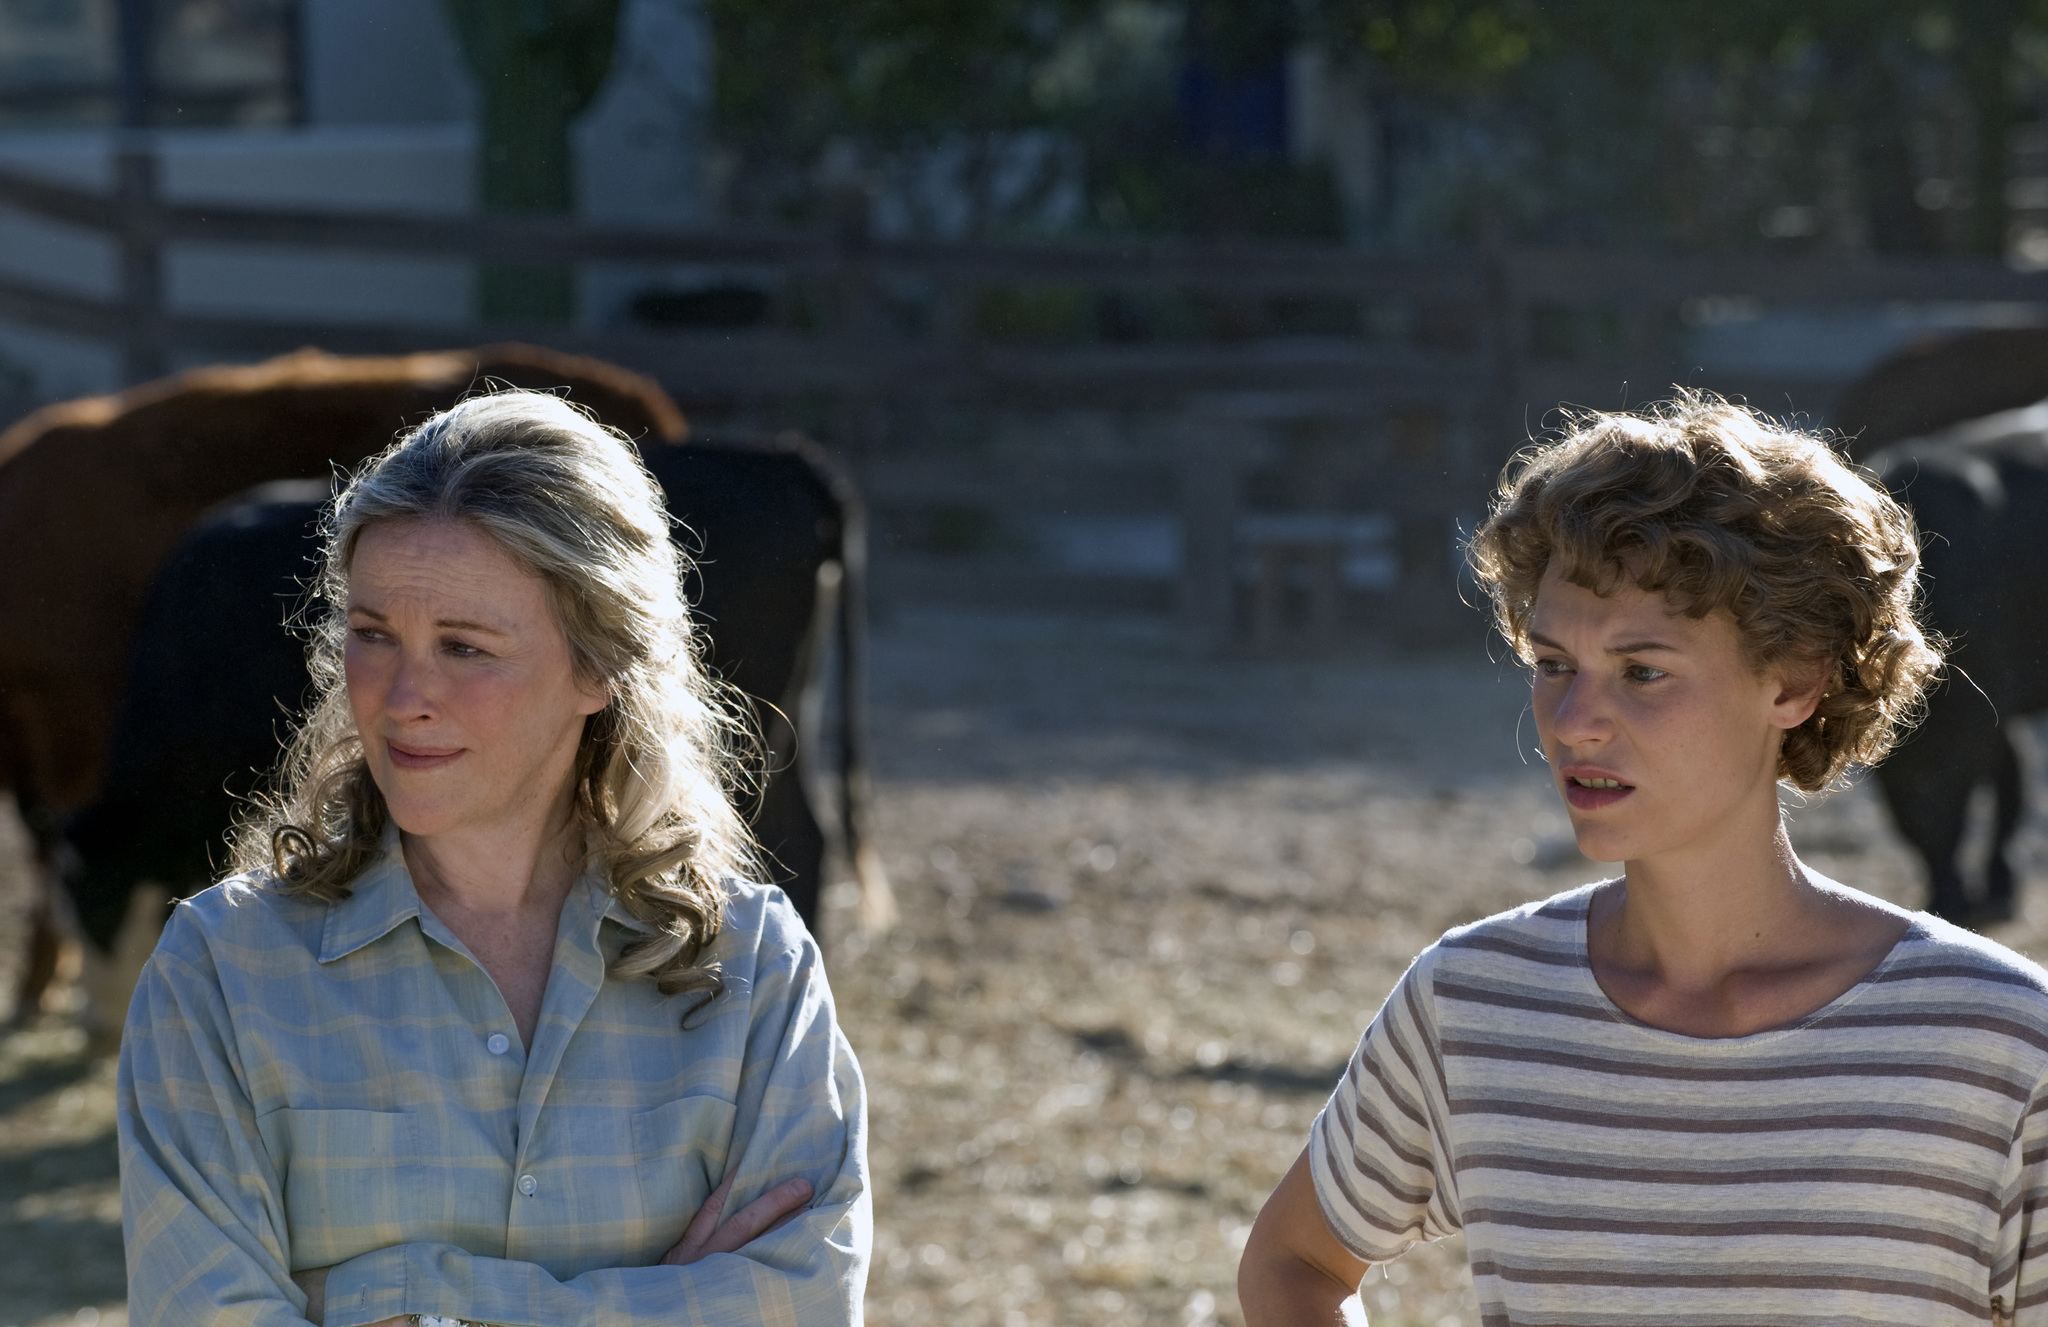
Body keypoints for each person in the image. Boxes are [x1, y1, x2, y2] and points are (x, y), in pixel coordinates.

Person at [1238, 394, 2048, 1324]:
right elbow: (1292, 1260)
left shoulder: (2000, 1045)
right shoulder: (1472, 1001)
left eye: (1643, 670)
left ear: (1794, 679)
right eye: (1552, 663)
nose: (1574, 721)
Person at [116, 390, 869, 1326]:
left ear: (600, 666)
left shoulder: (757, 973)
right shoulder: (221, 974)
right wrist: (667, 1300)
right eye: (373, 635)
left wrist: (392, 1305)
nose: (404, 696)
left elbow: (805, 1306)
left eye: (466, 647)